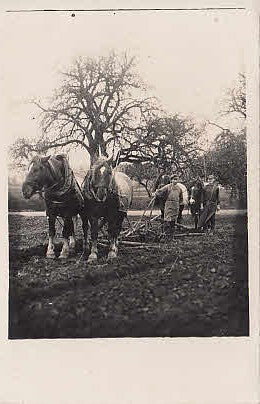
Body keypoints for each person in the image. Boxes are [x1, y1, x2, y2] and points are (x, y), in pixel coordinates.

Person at [153, 173, 183, 238]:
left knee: (173, 221)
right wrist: (155, 193)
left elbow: (181, 198)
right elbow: (159, 192)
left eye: (176, 179)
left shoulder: (179, 189)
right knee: (167, 220)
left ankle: (171, 236)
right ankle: (165, 235)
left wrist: (178, 203)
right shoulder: (167, 187)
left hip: (176, 206)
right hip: (169, 205)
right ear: (171, 180)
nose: (175, 181)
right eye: (174, 179)